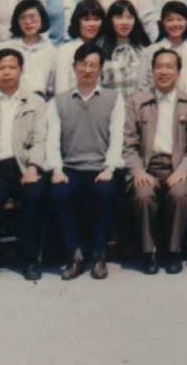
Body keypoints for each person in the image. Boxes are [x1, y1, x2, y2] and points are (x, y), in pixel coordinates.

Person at [46, 43, 125, 280]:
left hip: (101, 167)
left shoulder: (113, 98)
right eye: (83, 65)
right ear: (74, 67)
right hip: (70, 167)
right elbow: (52, 139)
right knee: (59, 193)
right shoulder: (58, 101)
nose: (87, 70)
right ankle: (75, 255)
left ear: (100, 69)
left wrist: (110, 168)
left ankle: (99, 255)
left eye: (93, 65)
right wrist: (57, 170)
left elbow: (117, 137)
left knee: (106, 192)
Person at [0, 47, 48, 282]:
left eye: (12, 67)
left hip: (24, 165)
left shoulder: (36, 102)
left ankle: (30, 260)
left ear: (21, 70)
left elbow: (41, 139)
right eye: (1, 68)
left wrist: (33, 167)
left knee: (34, 196)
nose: (7, 72)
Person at [122, 48, 187, 273]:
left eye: (169, 67)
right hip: (147, 167)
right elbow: (128, 145)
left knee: (179, 194)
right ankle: (149, 252)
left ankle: (174, 251)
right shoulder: (137, 102)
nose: (164, 71)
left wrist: (183, 170)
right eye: (159, 67)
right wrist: (138, 172)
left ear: (178, 72)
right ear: (152, 71)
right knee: (143, 195)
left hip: (177, 167)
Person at [53, 0, 107, 99]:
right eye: (86, 19)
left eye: (96, 19)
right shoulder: (66, 50)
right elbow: (61, 90)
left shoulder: (105, 48)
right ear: (78, 21)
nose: (92, 24)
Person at [100, 0, 151, 95]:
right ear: (110, 20)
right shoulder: (100, 48)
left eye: (129, 17)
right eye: (119, 17)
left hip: (138, 102)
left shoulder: (143, 48)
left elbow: (148, 82)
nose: (125, 22)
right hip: (110, 102)